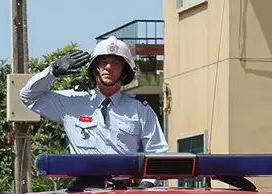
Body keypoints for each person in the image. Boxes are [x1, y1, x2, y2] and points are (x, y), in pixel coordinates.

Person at [20, 36, 168, 156]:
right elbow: (28, 96)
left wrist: (148, 183)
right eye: (103, 62)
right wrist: (53, 71)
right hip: (84, 188)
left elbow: (157, 151)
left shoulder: (140, 110)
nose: (108, 67)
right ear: (95, 68)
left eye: (116, 63)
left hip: (125, 189)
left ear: (125, 71)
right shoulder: (71, 102)